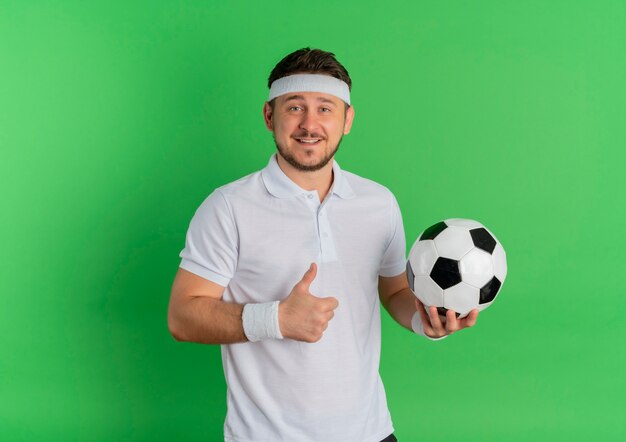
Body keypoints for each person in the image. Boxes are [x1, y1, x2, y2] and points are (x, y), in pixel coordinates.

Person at [167, 47, 479, 442]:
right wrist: (276, 318)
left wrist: (427, 322)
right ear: (269, 116)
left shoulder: (379, 203)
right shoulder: (228, 207)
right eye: (294, 107)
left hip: (371, 432)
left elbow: (396, 290)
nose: (309, 124)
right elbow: (182, 316)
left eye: (325, 109)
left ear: (347, 119)